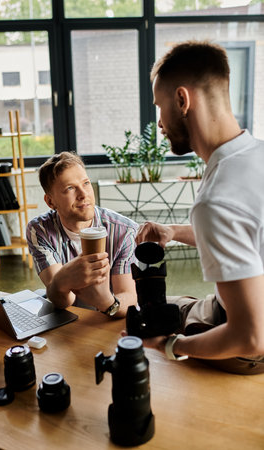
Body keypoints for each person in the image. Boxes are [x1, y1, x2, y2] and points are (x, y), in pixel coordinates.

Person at [136, 40, 264, 374]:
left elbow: (251, 337)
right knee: (163, 309)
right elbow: (247, 236)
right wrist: (174, 231)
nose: (160, 124)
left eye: (159, 107)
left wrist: (170, 347)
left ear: (182, 100)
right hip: (250, 311)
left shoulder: (216, 199)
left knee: (152, 341)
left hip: (253, 347)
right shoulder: (256, 155)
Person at [26, 151, 138, 318]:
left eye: (86, 183)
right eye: (70, 188)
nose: (83, 194)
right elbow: (63, 300)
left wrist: (107, 302)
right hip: (69, 320)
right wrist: (62, 279)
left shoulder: (124, 231)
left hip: (109, 320)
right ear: (50, 202)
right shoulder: (39, 230)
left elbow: (128, 297)